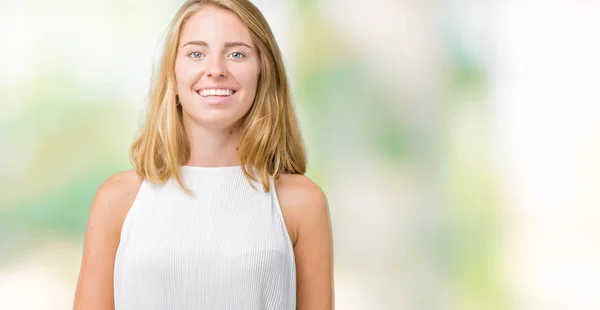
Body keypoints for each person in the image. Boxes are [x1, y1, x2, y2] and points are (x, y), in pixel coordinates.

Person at [72, 0, 334, 309]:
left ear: (264, 70)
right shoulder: (118, 200)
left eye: (236, 53)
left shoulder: (301, 203)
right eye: (196, 53)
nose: (216, 70)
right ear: (173, 71)